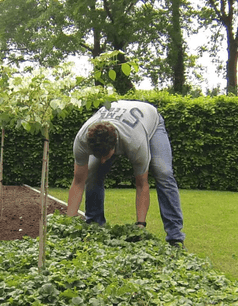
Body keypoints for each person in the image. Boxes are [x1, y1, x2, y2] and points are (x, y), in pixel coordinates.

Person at [66, 100, 185, 248]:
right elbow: (78, 182)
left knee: (163, 172)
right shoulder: (82, 140)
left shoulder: (135, 143)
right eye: (98, 155)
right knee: (92, 172)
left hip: (150, 120)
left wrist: (140, 226)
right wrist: (68, 225)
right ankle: (94, 226)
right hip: (119, 116)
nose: (103, 161)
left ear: (115, 145)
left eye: (105, 155)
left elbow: (142, 184)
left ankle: (175, 237)